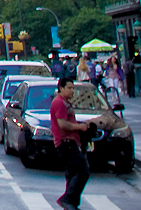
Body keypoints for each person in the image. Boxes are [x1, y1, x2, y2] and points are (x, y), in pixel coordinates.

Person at [51, 77, 91, 210]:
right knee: (82, 170)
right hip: (65, 142)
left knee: (72, 173)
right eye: (69, 88)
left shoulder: (66, 103)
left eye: (73, 88)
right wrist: (79, 127)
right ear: (61, 88)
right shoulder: (60, 103)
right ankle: (67, 199)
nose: (72, 91)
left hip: (71, 142)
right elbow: (62, 124)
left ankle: (71, 204)